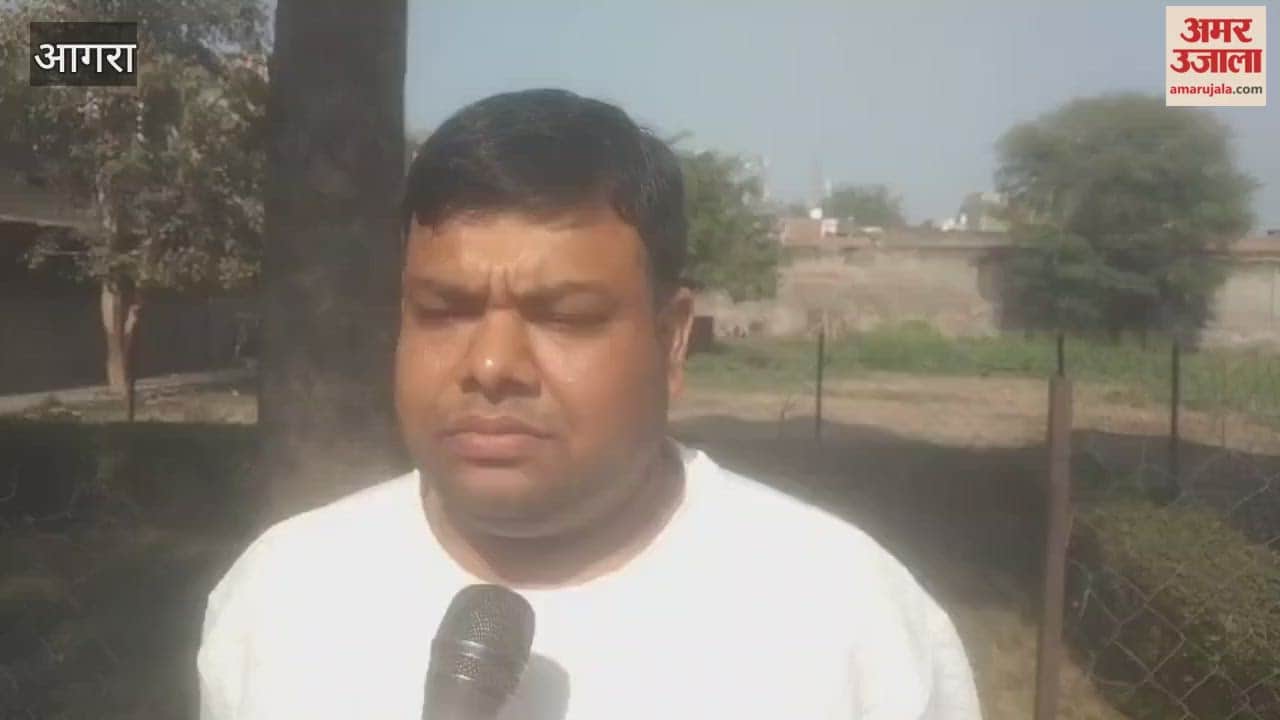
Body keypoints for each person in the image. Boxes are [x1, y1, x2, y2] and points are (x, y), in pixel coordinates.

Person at [197, 88, 982, 720]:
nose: (493, 365)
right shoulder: (282, 595)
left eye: (565, 317)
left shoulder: (845, 621)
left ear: (672, 341)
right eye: (443, 311)